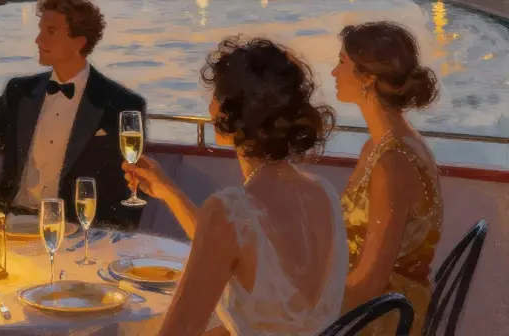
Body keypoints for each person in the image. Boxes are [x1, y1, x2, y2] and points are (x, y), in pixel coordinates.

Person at [124, 37, 346, 336]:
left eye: (215, 96)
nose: (210, 105)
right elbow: (244, 254)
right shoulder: (323, 194)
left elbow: (179, 330)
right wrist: (168, 191)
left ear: (229, 113)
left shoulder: (230, 209)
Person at [0, 0, 146, 227]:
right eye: (40, 30)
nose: (38, 41)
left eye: (50, 32)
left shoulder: (120, 104)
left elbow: (128, 189)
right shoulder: (20, 93)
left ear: (79, 42)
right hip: (7, 220)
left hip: (73, 227)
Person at [334, 22, 443, 335]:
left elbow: (369, 283)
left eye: (341, 62)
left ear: (368, 77)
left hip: (384, 318)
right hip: (382, 305)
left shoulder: (392, 163)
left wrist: (305, 302)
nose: (333, 73)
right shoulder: (382, 146)